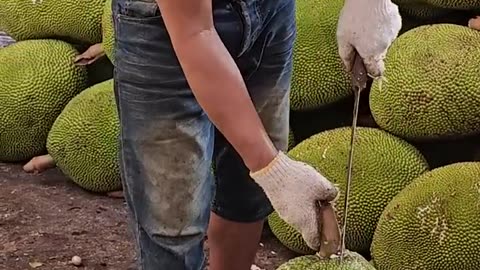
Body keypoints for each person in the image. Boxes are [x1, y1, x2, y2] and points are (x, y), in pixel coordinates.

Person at [111, 0, 402, 269]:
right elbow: (194, 33)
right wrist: (273, 170)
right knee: (172, 220)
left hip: (270, 9)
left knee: (249, 195)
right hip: (166, 23)